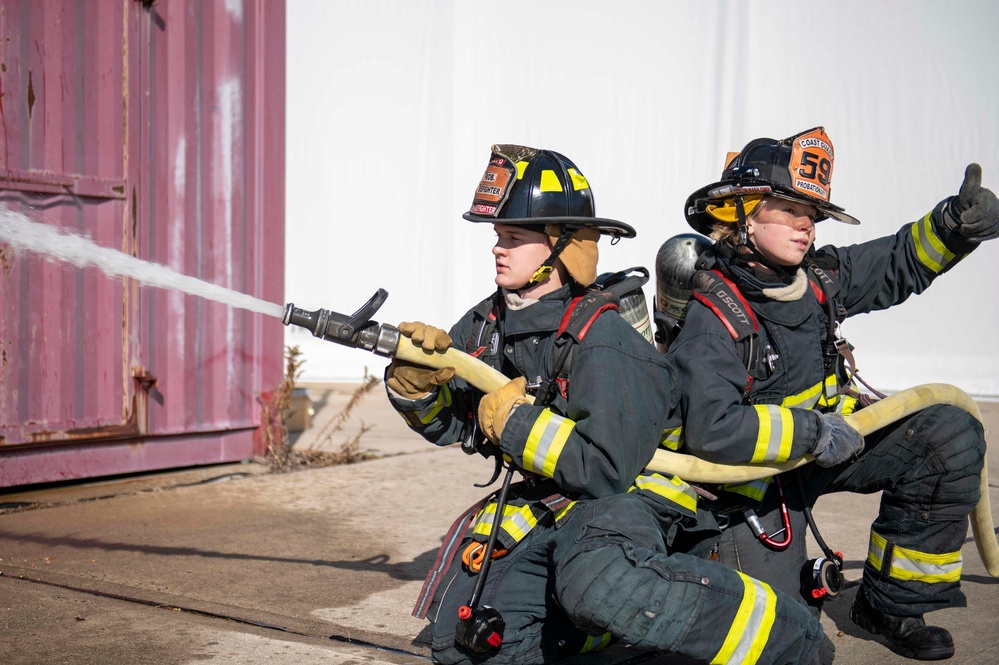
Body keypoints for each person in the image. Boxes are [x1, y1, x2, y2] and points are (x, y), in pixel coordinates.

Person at [384, 144, 832, 664]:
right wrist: (414, 389)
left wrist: (514, 425)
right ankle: (589, 629)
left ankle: (794, 643)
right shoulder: (489, 323)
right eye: (497, 237)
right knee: (466, 649)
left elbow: (607, 470)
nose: (497, 250)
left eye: (513, 238)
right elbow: (458, 426)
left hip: (631, 498)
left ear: (563, 247)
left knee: (601, 583)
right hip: (548, 504)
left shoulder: (605, 340)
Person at [666, 126, 996, 661]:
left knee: (948, 437)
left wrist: (954, 227)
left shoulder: (819, 279)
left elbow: (896, 261)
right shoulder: (713, 315)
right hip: (751, 482)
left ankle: (889, 604)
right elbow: (712, 430)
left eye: (812, 214)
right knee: (786, 630)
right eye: (790, 208)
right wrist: (814, 431)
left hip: (831, 448)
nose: (806, 225)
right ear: (742, 213)